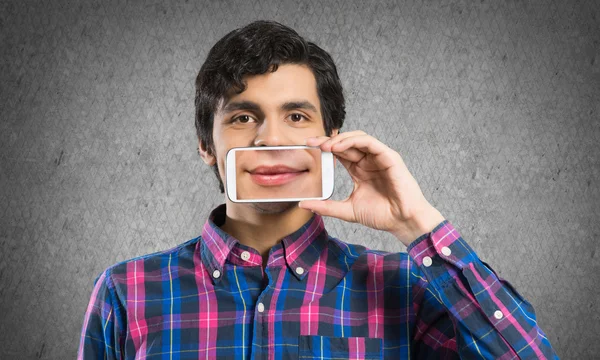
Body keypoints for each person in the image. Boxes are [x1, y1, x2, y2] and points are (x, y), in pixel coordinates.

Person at [78, 20, 558, 359]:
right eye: (244, 117)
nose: (272, 140)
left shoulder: (406, 289)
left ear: (332, 138)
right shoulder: (126, 293)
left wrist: (416, 222)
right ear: (207, 144)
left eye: (297, 116)